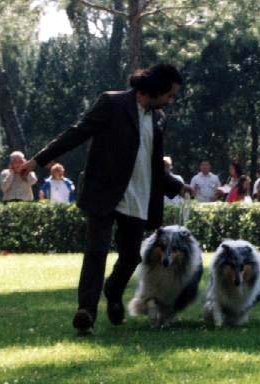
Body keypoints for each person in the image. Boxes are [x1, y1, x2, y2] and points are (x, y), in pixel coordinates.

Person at [20, 63, 192, 335]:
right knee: (96, 252)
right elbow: (77, 132)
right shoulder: (112, 103)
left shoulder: (159, 119)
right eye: (169, 95)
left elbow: (153, 161)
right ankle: (86, 312)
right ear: (156, 88)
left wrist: (177, 185)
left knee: (130, 258)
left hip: (139, 195)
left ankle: (113, 290)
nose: (171, 101)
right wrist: (37, 160)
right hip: (104, 193)